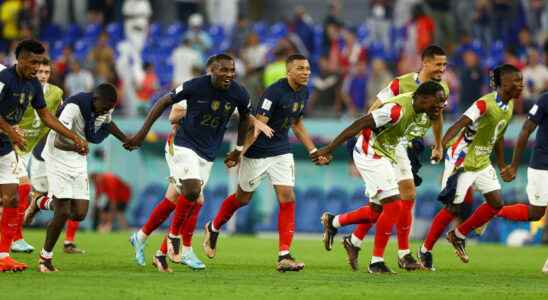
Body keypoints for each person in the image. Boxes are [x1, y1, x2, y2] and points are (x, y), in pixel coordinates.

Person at [125, 54, 272, 272]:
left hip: (207, 152)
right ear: (211, 71)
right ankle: (179, 244)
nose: (229, 74)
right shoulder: (193, 87)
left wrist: (239, 149)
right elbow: (169, 109)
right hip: (182, 145)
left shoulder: (239, 93)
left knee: (180, 198)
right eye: (224, 70)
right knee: (193, 193)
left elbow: (243, 118)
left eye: (232, 70)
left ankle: (144, 238)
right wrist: (142, 133)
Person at [203, 54, 325, 272]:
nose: (306, 72)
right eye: (300, 68)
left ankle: (284, 255)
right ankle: (213, 227)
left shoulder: (304, 92)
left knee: (287, 197)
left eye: (307, 68)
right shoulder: (274, 93)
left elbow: (296, 123)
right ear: (289, 71)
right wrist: (240, 153)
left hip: (281, 151)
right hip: (258, 152)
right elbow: (257, 127)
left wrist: (313, 150)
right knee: (242, 198)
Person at [314, 81, 446, 274]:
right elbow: (360, 123)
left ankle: (333, 222)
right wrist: (329, 148)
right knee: (395, 206)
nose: (441, 106)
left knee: (376, 212)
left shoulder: (421, 110)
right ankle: (376, 262)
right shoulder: (396, 110)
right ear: (424, 98)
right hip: (370, 154)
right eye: (438, 102)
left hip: (385, 154)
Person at [337, 45, 449, 271]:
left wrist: (438, 144)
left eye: (444, 65)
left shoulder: (442, 88)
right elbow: (376, 107)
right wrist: (361, 141)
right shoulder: (401, 82)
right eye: (438, 64)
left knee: (398, 198)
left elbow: (438, 117)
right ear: (425, 62)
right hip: (388, 142)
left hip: (409, 144)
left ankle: (360, 240)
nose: (442, 69)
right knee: (391, 201)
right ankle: (391, 254)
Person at [418, 64, 522, 270]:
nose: (520, 85)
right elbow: (459, 124)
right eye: (516, 81)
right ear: (502, 84)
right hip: (462, 159)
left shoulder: (509, 106)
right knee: (453, 207)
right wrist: (440, 145)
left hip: (482, 160)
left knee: (496, 203)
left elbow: (498, 136)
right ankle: (425, 250)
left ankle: (458, 234)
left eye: (521, 81)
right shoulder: (484, 104)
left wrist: (502, 165)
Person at [0, 39, 88, 272]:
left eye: (40, 63)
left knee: (12, 198)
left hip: (4, 146)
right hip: (10, 139)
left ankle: (3, 256)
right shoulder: (3, 80)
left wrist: (74, 137)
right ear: (19, 59)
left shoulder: (33, 86)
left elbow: (47, 117)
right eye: (32, 62)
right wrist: (12, 132)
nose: (37, 68)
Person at [37, 83, 129, 272]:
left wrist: (126, 140)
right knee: (62, 211)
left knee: (79, 213)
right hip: (58, 155)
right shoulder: (74, 107)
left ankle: (40, 202)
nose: (107, 111)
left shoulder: (104, 108)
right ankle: (45, 259)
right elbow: (57, 140)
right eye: (105, 107)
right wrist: (77, 143)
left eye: (110, 108)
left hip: (78, 158)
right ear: (95, 99)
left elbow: (108, 123)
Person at [10, 57, 63, 254]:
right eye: (39, 72)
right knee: (23, 189)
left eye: (46, 72)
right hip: (11, 144)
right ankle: (15, 238)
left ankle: (13, 237)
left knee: (17, 193)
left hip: (29, 149)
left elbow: (56, 118)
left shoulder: (56, 93)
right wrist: (12, 127)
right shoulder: (21, 89)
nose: (43, 76)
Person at [497, 92, 548, 238]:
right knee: (536, 213)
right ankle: (492, 212)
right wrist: (514, 165)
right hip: (542, 165)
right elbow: (526, 130)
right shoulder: (545, 99)